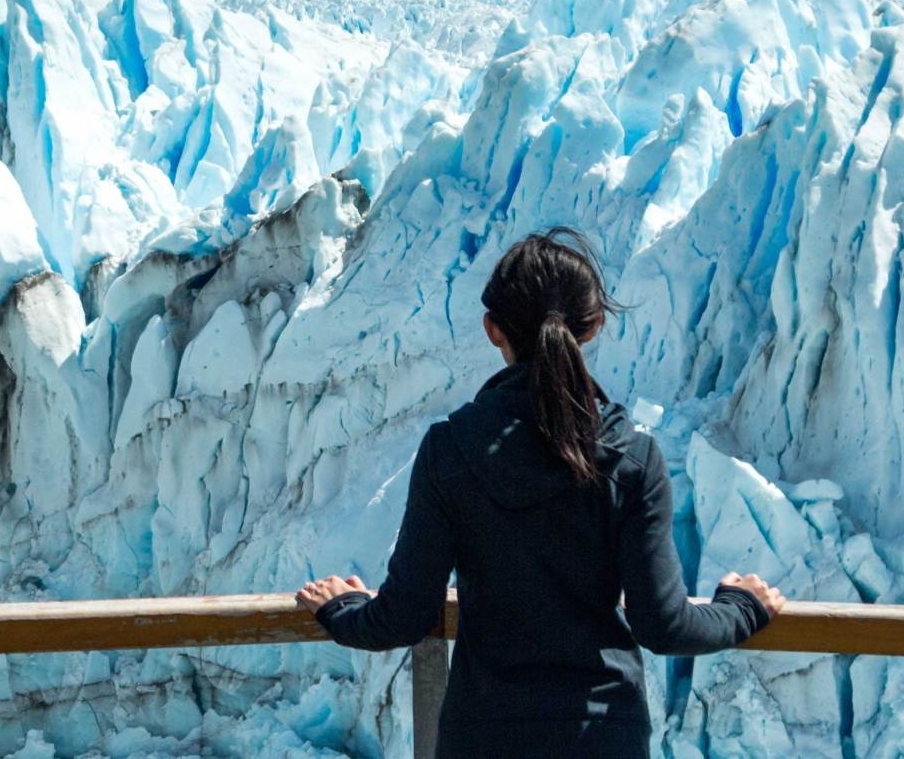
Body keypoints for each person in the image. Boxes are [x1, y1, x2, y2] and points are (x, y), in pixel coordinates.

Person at [296, 229, 784, 757]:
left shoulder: (450, 450)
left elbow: (404, 616)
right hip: (601, 737)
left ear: (492, 329)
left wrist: (340, 606)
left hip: (485, 737)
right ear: (593, 328)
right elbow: (662, 625)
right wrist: (742, 607)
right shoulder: (631, 457)